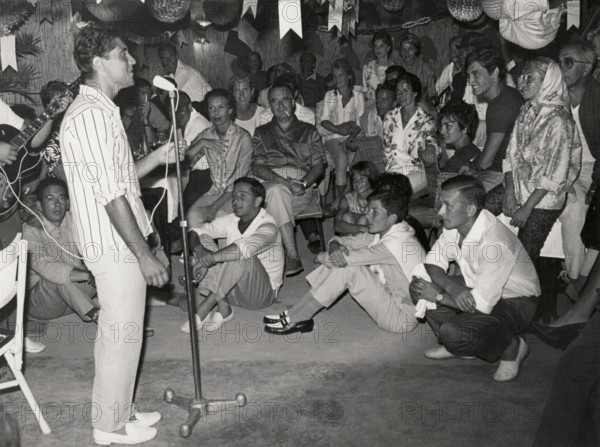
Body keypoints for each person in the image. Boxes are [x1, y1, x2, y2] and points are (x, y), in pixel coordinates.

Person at [60, 24, 182, 444]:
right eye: (123, 54)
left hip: (117, 238)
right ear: (98, 63)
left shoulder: (102, 110)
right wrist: (144, 254)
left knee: (125, 331)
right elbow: (112, 196)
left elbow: (122, 176)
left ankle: (120, 411)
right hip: (113, 242)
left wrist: (158, 157)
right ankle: (108, 427)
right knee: (120, 334)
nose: (132, 61)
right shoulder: (91, 115)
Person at [409, 175, 540, 381]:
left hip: (517, 301)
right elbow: (433, 262)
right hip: (479, 289)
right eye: (442, 204)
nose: (441, 212)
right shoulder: (457, 226)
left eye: (448, 205)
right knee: (418, 286)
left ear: (470, 209)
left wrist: (440, 297)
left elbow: (480, 305)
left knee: (452, 332)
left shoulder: (493, 244)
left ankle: (512, 348)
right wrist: (452, 289)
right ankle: (463, 347)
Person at [264, 190, 424, 335]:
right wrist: (335, 246)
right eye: (368, 210)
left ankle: (298, 316)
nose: (368, 215)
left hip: (401, 316)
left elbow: (344, 260)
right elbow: (342, 240)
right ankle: (298, 313)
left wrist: (321, 257)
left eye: (374, 212)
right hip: (390, 297)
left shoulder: (394, 244)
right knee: (342, 261)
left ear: (392, 218)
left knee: (347, 268)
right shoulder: (390, 230)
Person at [484, 58, 581, 262]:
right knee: (478, 210)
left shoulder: (559, 121)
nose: (522, 83)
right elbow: (511, 154)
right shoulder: (527, 110)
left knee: (525, 254)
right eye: (522, 77)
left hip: (543, 197)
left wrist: (527, 207)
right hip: (519, 183)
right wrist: (509, 191)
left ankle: (527, 290)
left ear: (548, 81)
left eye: (530, 78)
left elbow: (556, 174)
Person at [182, 177, 284, 333]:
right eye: (234, 196)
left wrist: (206, 261)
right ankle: (224, 307)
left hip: (258, 296)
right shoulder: (232, 220)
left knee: (240, 254)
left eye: (243, 196)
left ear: (257, 201)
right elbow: (195, 232)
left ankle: (204, 307)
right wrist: (199, 250)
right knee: (203, 241)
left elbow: (241, 250)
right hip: (230, 289)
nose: (236, 201)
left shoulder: (268, 227)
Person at [252, 82, 326, 276]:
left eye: (285, 100)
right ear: (269, 106)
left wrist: (303, 183)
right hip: (271, 184)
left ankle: (280, 255)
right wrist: (284, 183)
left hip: (301, 186)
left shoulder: (309, 131)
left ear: (293, 103)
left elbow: (319, 165)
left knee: (274, 198)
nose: (280, 106)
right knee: (276, 192)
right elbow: (258, 167)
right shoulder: (261, 132)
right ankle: (292, 253)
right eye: (275, 102)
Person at [23, 178, 98, 323]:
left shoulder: (77, 220)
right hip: (45, 303)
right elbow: (46, 267)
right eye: (50, 198)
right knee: (57, 277)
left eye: (61, 198)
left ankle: (124, 313)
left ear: (68, 203)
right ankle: (100, 317)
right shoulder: (30, 230)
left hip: (76, 297)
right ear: (39, 205)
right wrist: (87, 275)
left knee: (106, 266)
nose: (57, 204)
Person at [557, 41, 600, 285]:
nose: (561, 68)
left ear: (586, 69)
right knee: (573, 207)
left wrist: (595, 185)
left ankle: (580, 279)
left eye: (569, 62)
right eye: (560, 61)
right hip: (562, 168)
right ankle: (575, 277)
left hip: (593, 169)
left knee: (581, 207)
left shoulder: (597, 98)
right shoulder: (552, 96)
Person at [185, 88, 253, 228]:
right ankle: (207, 250)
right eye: (211, 108)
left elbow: (237, 180)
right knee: (192, 217)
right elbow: (185, 162)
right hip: (215, 191)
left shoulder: (243, 138)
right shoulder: (206, 134)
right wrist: (202, 143)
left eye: (221, 107)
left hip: (239, 193)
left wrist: (214, 207)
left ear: (230, 110)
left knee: (219, 220)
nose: (215, 112)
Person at [460, 47, 523, 192]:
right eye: (469, 75)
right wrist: (471, 165)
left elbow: (486, 162)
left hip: (502, 175)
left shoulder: (500, 106)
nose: (471, 81)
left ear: (494, 72)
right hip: (505, 170)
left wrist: (472, 167)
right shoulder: (509, 94)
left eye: (476, 74)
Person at [381, 72, 439, 196]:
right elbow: (386, 152)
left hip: (417, 171)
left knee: (396, 192)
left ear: (415, 93)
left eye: (406, 90)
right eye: (398, 91)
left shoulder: (425, 120)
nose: (401, 95)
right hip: (393, 170)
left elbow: (432, 143)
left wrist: (430, 149)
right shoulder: (390, 117)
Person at [320, 58, 365, 197]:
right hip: (333, 137)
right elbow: (324, 121)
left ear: (349, 76)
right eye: (335, 75)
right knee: (341, 157)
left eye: (341, 75)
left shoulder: (357, 96)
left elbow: (360, 122)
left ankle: (355, 196)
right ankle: (340, 199)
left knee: (354, 160)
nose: (337, 79)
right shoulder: (330, 96)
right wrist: (339, 130)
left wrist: (349, 139)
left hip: (352, 137)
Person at [173, 91, 211, 211]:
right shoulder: (181, 122)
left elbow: (183, 158)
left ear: (190, 107)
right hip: (192, 174)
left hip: (206, 176)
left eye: (180, 109)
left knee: (180, 207)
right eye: (173, 111)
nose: (177, 114)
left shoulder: (198, 123)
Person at [335, 161, 379, 235]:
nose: (357, 183)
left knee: (364, 219)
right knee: (347, 217)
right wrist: (360, 228)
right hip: (352, 237)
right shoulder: (347, 199)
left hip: (372, 239)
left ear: (371, 180)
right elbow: (337, 226)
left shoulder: (379, 199)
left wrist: (361, 222)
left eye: (362, 179)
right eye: (355, 179)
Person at [438, 99, 480, 173]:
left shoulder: (456, 163)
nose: (442, 131)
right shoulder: (475, 151)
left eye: (448, 126)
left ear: (464, 128)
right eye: (442, 126)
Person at [362, 31, 396, 109]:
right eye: (375, 46)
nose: (377, 49)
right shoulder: (368, 68)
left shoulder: (394, 69)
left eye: (381, 46)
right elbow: (364, 92)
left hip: (389, 107)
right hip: (370, 106)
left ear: (388, 47)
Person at [396, 33, 436, 100]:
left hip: (421, 103)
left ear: (416, 49)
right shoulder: (396, 69)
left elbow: (432, 92)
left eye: (410, 49)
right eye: (403, 49)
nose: (406, 53)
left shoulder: (426, 68)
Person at [435, 36, 462, 102]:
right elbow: (438, 87)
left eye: (456, 49)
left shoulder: (468, 69)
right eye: (451, 49)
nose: (453, 52)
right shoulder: (449, 69)